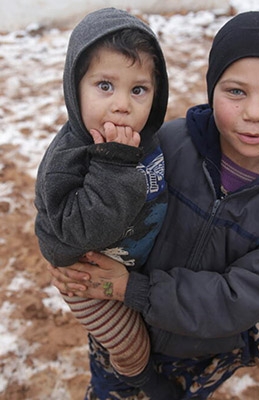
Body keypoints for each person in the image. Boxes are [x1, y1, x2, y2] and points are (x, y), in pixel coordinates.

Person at [48, 11, 259, 400]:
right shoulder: (168, 143)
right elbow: (91, 199)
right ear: (211, 88)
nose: (254, 113)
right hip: (124, 325)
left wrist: (136, 289)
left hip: (202, 348)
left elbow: (239, 298)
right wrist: (68, 260)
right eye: (235, 91)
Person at [34, 7, 182, 400]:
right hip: (86, 277)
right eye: (104, 86)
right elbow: (81, 230)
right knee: (130, 343)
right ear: (74, 87)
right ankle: (142, 381)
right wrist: (113, 163)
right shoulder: (68, 158)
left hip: (132, 263)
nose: (122, 104)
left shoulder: (146, 138)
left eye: (138, 90)